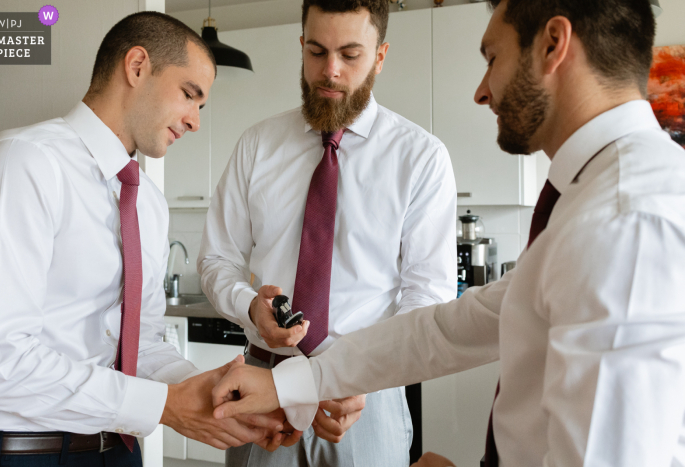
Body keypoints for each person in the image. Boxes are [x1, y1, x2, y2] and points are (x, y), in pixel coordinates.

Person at [210, 0, 685, 466]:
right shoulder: (597, 195)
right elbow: (450, 329)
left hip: (365, 408)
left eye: (492, 58)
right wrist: (297, 384)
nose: (481, 91)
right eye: (316, 51)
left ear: (553, 46)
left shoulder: (628, 217)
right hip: (279, 379)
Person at [0, 12, 286, 467]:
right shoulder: (25, 163)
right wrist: (163, 405)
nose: (195, 121)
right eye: (190, 95)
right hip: (30, 453)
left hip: (121, 451)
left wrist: (210, 392)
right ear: (137, 65)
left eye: (201, 107)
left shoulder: (148, 202)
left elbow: (140, 344)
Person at [197, 0, 458, 465]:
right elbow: (217, 260)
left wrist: (367, 377)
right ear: (301, 46)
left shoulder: (421, 158)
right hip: (264, 387)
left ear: (380, 56)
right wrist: (250, 307)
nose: (330, 71)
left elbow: (427, 296)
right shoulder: (257, 145)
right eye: (316, 52)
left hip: (364, 396)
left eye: (350, 55)